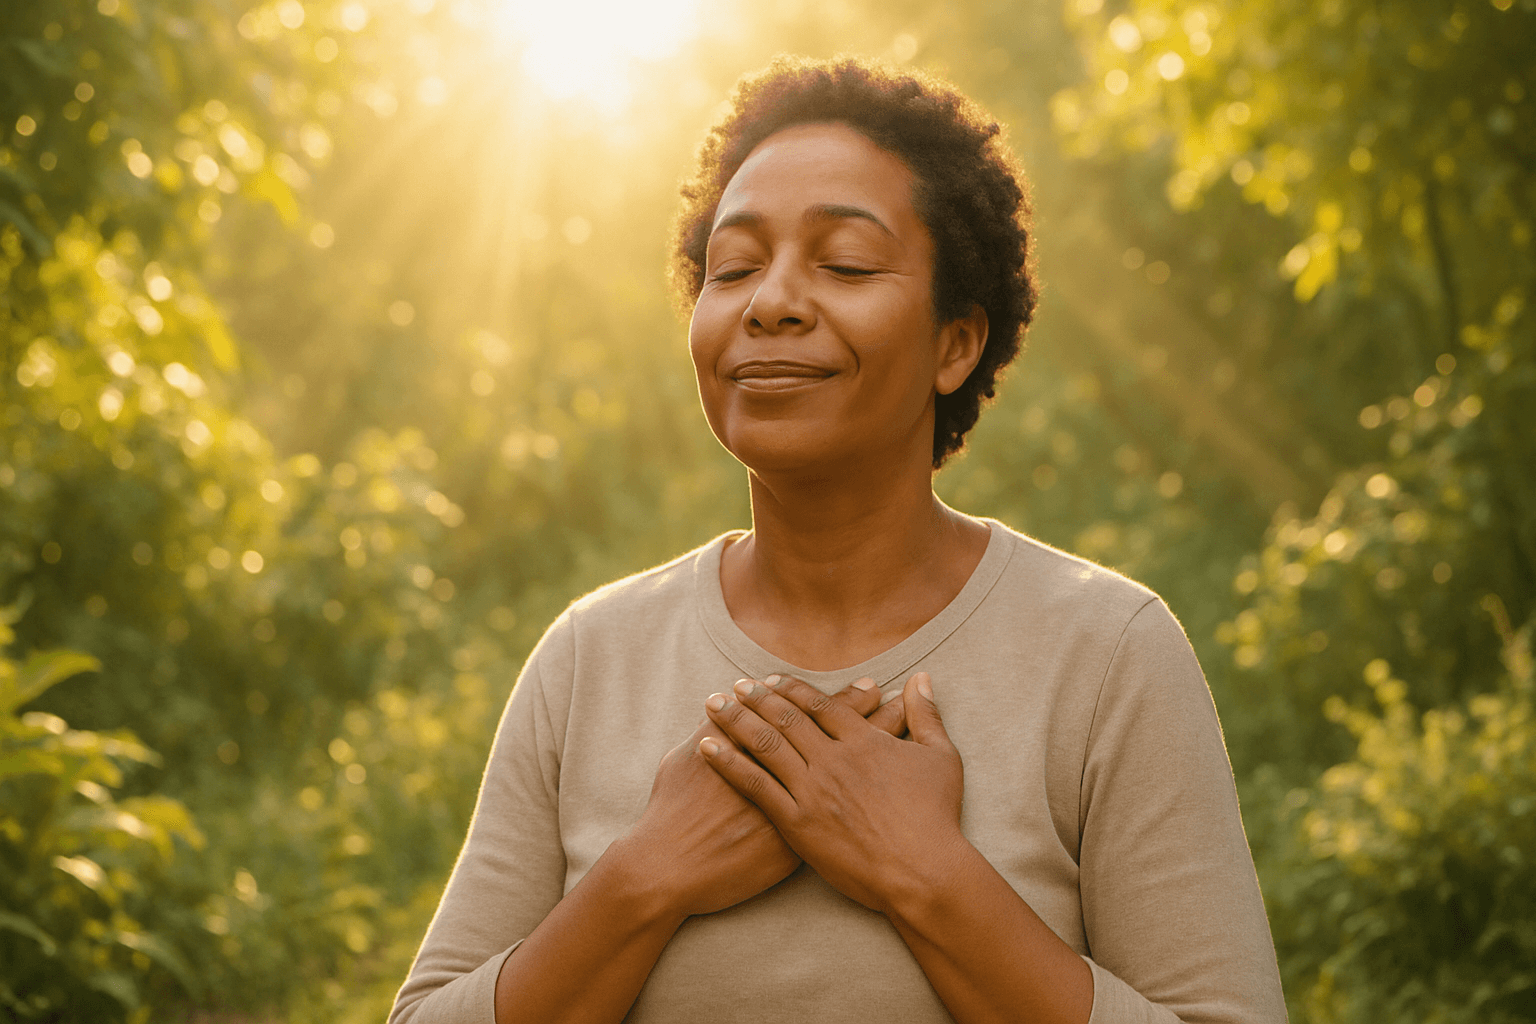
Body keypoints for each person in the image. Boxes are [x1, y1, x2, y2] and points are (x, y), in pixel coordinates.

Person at [388, 57, 1287, 1024]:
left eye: (846, 265)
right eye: (732, 269)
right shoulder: (588, 659)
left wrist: (930, 877)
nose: (769, 302)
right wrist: (643, 880)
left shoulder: (1106, 654)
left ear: (956, 343)